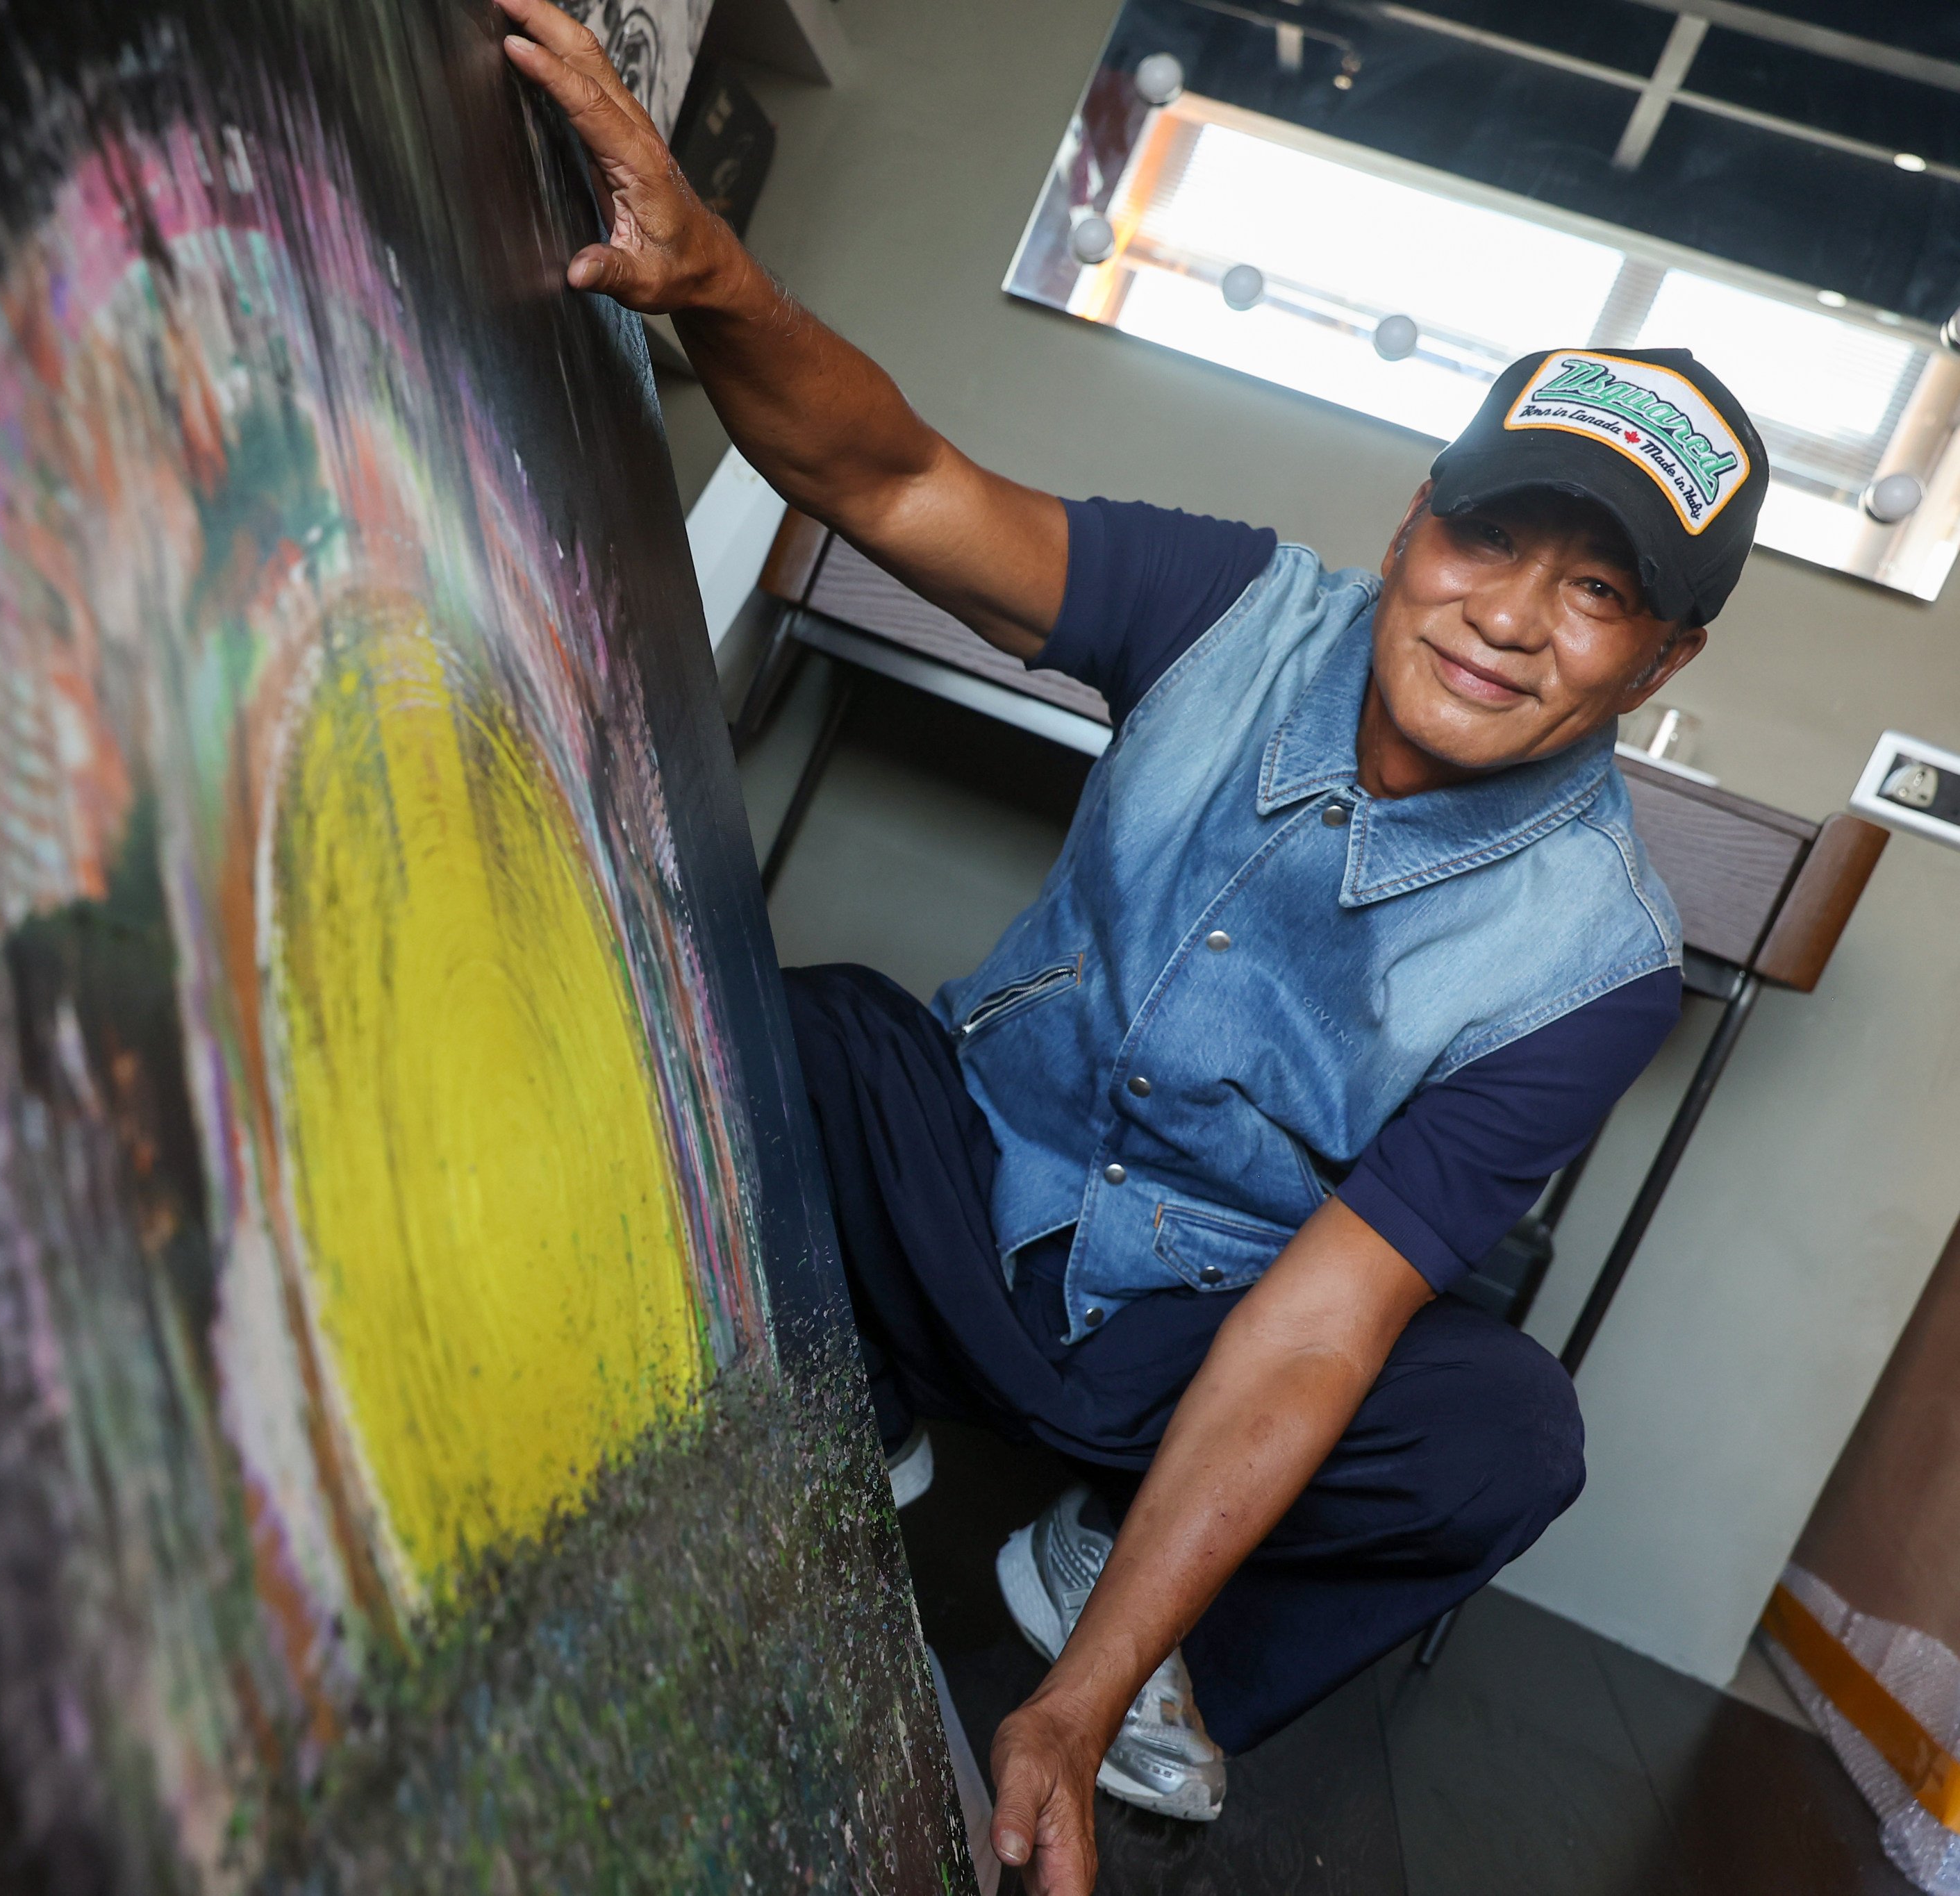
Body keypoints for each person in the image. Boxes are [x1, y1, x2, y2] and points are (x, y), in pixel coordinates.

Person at [493, 2, 1772, 1889]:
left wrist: (1073, 1705)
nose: (1511, 620)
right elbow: (905, 483)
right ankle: (878, 1389)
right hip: (979, 1193)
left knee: (1502, 1428)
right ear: (1416, 517)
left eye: (1602, 597)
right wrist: (716, 281)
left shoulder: (1600, 962)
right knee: (818, 1020)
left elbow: (1329, 1316)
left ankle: (1143, 1600)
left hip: (1198, 1336)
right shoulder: (1239, 603)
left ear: (1666, 662)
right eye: (1494, 537)